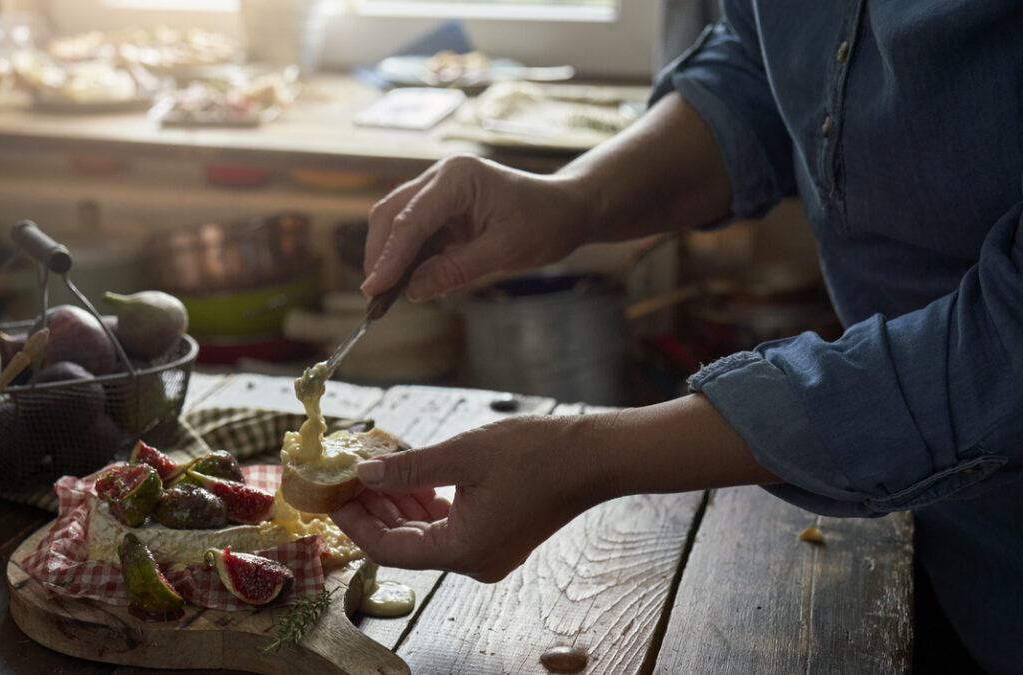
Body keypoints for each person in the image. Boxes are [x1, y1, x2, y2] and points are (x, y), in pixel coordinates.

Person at [327, 2, 1023, 673]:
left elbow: (1006, 346)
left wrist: (585, 455)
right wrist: (574, 199)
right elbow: (762, 73)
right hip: (911, 516)